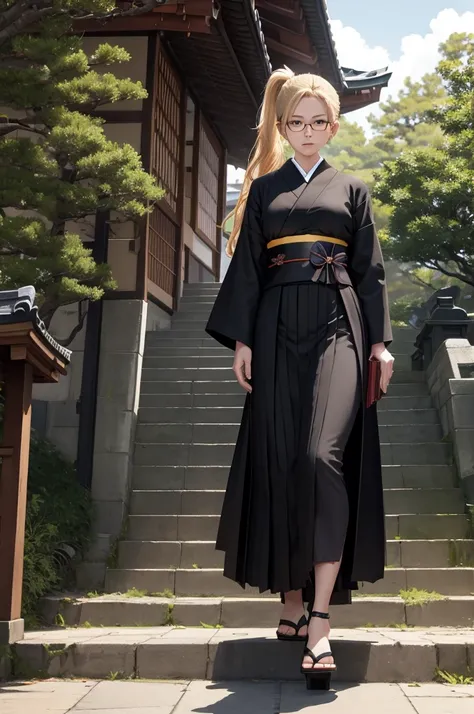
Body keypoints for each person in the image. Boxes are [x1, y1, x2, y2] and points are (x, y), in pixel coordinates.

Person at [206, 67, 394, 687]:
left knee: (320, 457)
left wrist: (381, 344)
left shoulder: (354, 190)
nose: (307, 132)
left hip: (339, 321)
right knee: (284, 459)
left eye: (319, 121)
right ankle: (289, 598)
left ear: (334, 126)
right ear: (282, 127)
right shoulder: (262, 192)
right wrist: (242, 338)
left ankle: (319, 619)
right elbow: (248, 274)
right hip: (275, 324)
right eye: (296, 122)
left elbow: (371, 272)